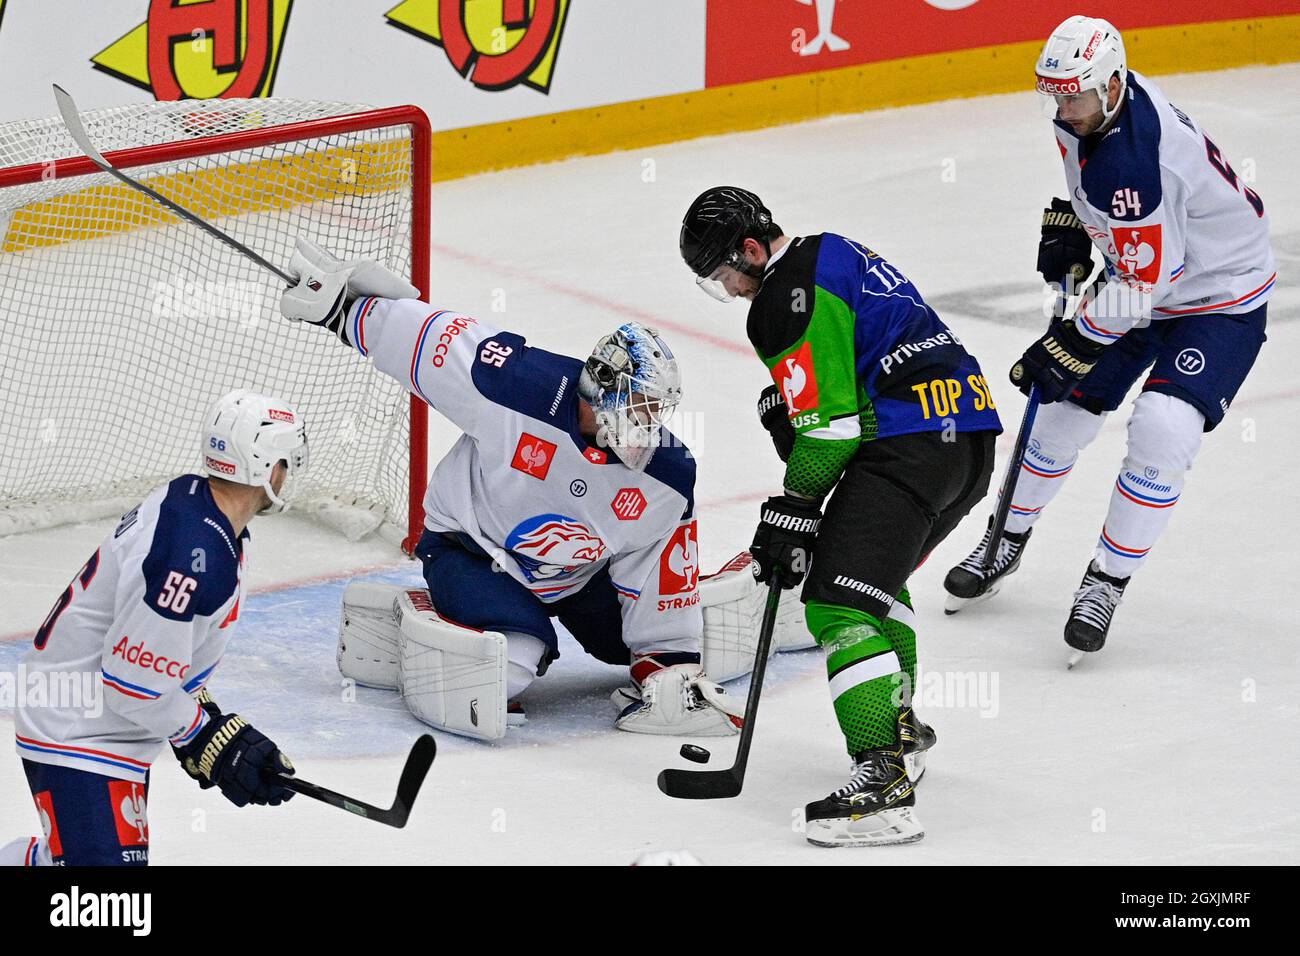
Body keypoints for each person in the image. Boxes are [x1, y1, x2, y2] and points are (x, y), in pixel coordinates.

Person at [279, 240, 743, 739]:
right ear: (601, 386)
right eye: (637, 405)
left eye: (657, 410)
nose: (648, 424)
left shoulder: (667, 474)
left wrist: (667, 660)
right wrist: (346, 310)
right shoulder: (517, 384)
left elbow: (654, 564)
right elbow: (434, 339)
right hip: (473, 549)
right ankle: (417, 627)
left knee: (627, 650)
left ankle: (487, 632)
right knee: (512, 664)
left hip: (576, 577)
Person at [679, 187, 1002, 846]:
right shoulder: (834, 251)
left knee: (835, 605)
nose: (732, 289)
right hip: (967, 442)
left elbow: (832, 433)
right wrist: (793, 434)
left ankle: (882, 778)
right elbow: (841, 394)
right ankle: (900, 729)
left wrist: (791, 507)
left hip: (908, 447)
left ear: (748, 248)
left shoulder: (779, 298)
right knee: (872, 584)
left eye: (724, 273)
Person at [944, 16, 1273, 657]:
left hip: (1218, 299)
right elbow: (1123, 225)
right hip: (1150, 272)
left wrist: (1070, 339)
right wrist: (1075, 219)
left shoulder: (1134, 157)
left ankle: (1106, 580)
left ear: (1113, 83)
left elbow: (1147, 282)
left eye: (1073, 96)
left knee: (1163, 429)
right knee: (1061, 411)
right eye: (1055, 96)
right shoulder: (1093, 104)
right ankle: (1005, 539)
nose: (1063, 110)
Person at [3, 391, 307, 866]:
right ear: (269, 468)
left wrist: (211, 724)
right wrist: (203, 736)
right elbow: (134, 685)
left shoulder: (198, 507)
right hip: (76, 730)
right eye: (287, 463)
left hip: (103, 723)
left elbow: (153, 650)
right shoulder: (193, 552)